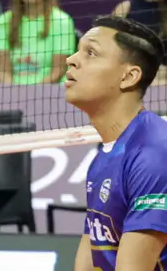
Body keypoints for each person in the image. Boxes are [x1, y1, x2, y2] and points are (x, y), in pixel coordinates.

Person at [65, 16, 167, 270]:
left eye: (90, 52)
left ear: (129, 76)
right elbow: (89, 262)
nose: (71, 59)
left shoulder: (154, 154)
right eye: (78, 50)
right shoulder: (104, 158)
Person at [0, 0, 76, 85]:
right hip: (13, 92)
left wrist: (34, 93)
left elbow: (58, 71)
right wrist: (13, 93)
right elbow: (3, 71)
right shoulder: (4, 21)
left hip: (51, 91)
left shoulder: (62, 21)